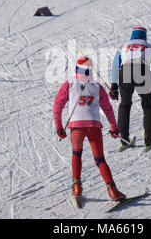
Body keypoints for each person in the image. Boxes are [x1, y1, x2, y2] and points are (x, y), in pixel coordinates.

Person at [53, 56, 126, 201]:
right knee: (99, 158)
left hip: (76, 127)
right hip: (94, 126)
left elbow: (57, 106)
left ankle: (76, 187)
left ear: (77, 69)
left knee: (77, 154)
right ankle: (112, 190)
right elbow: (107, 108)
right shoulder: (96, 86)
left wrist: (59, 127)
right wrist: (114, 128)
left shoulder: (69, 84)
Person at [109, 26, 151, 147]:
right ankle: (148, 137)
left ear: (132, 35)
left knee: (125, 103)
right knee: (148, 104)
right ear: (145, 35)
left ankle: (123, 136)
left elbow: (115, 66)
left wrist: (114, 85)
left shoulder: (123, 46)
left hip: (126, 71)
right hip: (142, 70)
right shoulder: (149, 46)